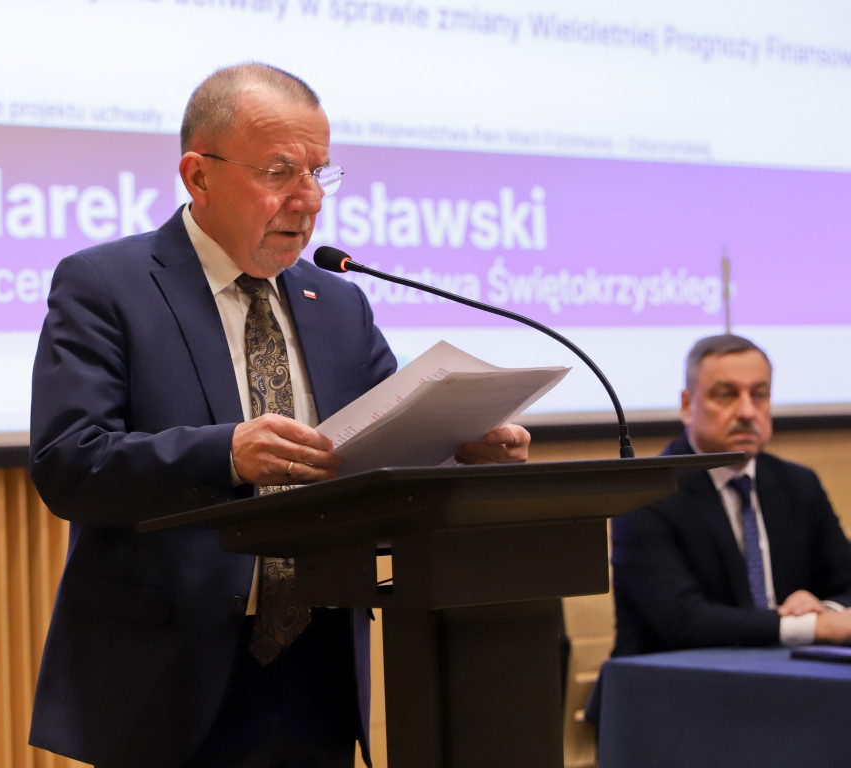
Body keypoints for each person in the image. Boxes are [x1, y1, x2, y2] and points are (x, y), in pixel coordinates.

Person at [27, 62, 530, 768]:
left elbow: (384, 442)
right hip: (168, 672)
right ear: (198, 176)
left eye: (319, 173)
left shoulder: (340, 303)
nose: (308, 199)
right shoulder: (107, 285)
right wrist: (226, 453)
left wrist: (458, 448)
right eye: (280, 172)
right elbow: (68, 463)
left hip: (320, 659)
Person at [610, 333, 851, 658]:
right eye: (726, 395)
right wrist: (809, 627)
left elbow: (846, 584)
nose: (747, 411)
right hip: (678, 681)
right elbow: (684, 621)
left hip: (789, 673)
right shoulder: (645, 495)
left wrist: (823, 609)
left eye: (759, 395)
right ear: (687, 405)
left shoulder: (799, 483)